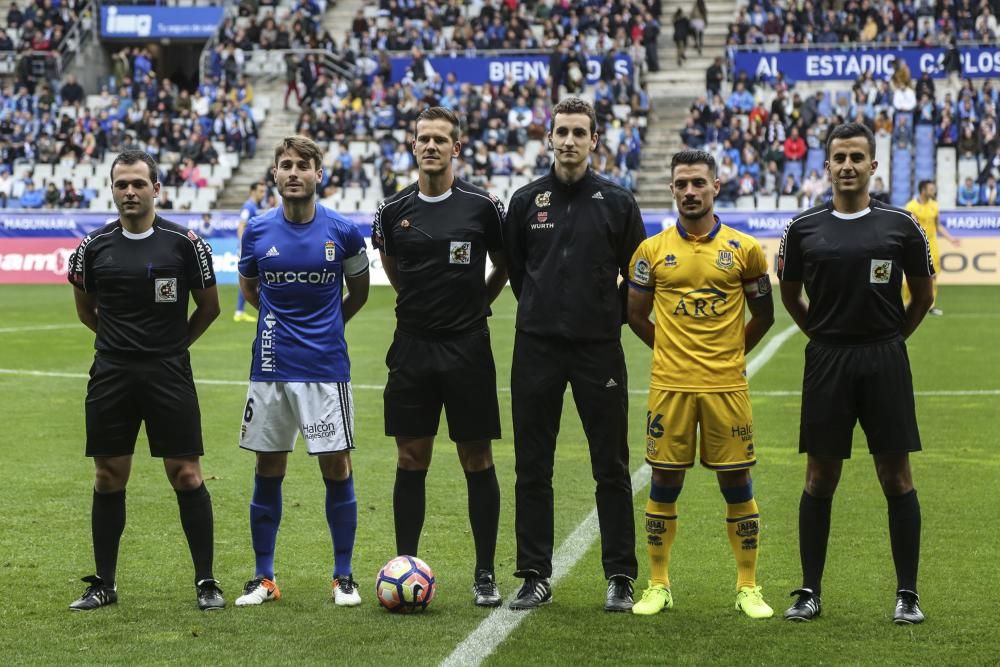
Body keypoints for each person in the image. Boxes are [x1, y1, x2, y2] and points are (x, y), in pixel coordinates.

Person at [777, 122, 934, 624]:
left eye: (856, 157)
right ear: (826, 166)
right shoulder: (802, 228)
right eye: (839, 157)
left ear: (873, 165)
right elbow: (789, 294)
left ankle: (907, 594)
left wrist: (890, 339)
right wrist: (822, 335)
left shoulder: (902, 225)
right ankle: (809, 591)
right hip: (827, 360)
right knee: (820, 477)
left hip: (884, 359)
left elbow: (924, 295)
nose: (847, 166)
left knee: (896, 476)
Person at [504, 96, 645, 611]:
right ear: (549, 138)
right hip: (536, 348)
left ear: (594, 140)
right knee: (532, 465)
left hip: (598, 350)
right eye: (561, 131)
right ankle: (534, 574)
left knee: (611, 464)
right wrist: (545, 310)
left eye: (578, 132)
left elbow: (637, 275)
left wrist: (599, 317)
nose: (568, 141)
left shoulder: (617, 202)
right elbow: (520, 273)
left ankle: (620, 577)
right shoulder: (525, 201)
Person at [66, 150, 223, 611]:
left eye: (138, 183)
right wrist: (120, 345)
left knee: (187, 474)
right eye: (121, 185)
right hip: (112, 374)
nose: (130, 192)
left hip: (168, 372)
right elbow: (84, 309)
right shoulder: (93, 246)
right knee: (108, 475)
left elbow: (209, 307)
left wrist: (174, 346)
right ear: (112, 189)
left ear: (157, 188)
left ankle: (206, 582)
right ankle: (104, 585)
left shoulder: (185, 243)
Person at [627, 150, 776, 618]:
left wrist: (730, 355)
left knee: (736, 480)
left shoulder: (746, 249)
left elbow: (765, 314)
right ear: (672, 190)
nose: (690, 192)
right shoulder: (650, 252)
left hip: (725, 388)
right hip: (669, 386)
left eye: (698, 183)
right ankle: (657, 584)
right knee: (664, 479)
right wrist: (671, 352)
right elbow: (634, 314)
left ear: (716, 185)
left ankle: (748, 586)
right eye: (681, 184)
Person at [371, 107, 508, 607]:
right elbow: (393, 267)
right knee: (411, 457)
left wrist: (476, 306)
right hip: (411, 348)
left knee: (477, 458)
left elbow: (505, 264)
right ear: (412, 146)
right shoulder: (391, 211)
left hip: (468, 347)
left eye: (440, 139)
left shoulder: (482, 206)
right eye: (423, 138)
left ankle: (485, 574)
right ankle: (404, 565)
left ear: (457, 147)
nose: (431, 146)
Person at [234, 136, 371, 608]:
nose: (294, 172)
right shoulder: (256, 230)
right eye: (285, 165)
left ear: (318, 175)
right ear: (275, 174)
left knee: (336, 465)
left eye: (303, 166)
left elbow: (360, 291)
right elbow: (250, 288)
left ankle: (343, 576)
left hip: (325, 367)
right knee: (268, 467)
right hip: (270, 366)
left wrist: (328, 328)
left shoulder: (344, 230)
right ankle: (264, 577)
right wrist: (281, 327)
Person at [904, 180, 959, 315]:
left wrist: (951, 239)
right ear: (923, 190)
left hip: (932, 245)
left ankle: (931, 305)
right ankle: (906, 303)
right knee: (910, 275)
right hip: (915, 246)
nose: (933, 191)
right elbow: (906, 227)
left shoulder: (934, 206)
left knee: (933, 276)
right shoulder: (911, 206)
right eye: (931, 188)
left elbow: (938, 225)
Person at [233, 181, 267, 322]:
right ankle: (240, 311)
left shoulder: (253, 207)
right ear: (253, 191)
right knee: (249, 279)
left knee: (253, 279)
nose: (263, 194)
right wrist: (243, 247)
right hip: (247, 249)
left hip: (252, 248)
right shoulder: (248, 206)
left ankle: (241, 311)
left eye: (264, 191)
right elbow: (241, 225)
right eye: (261, 191)